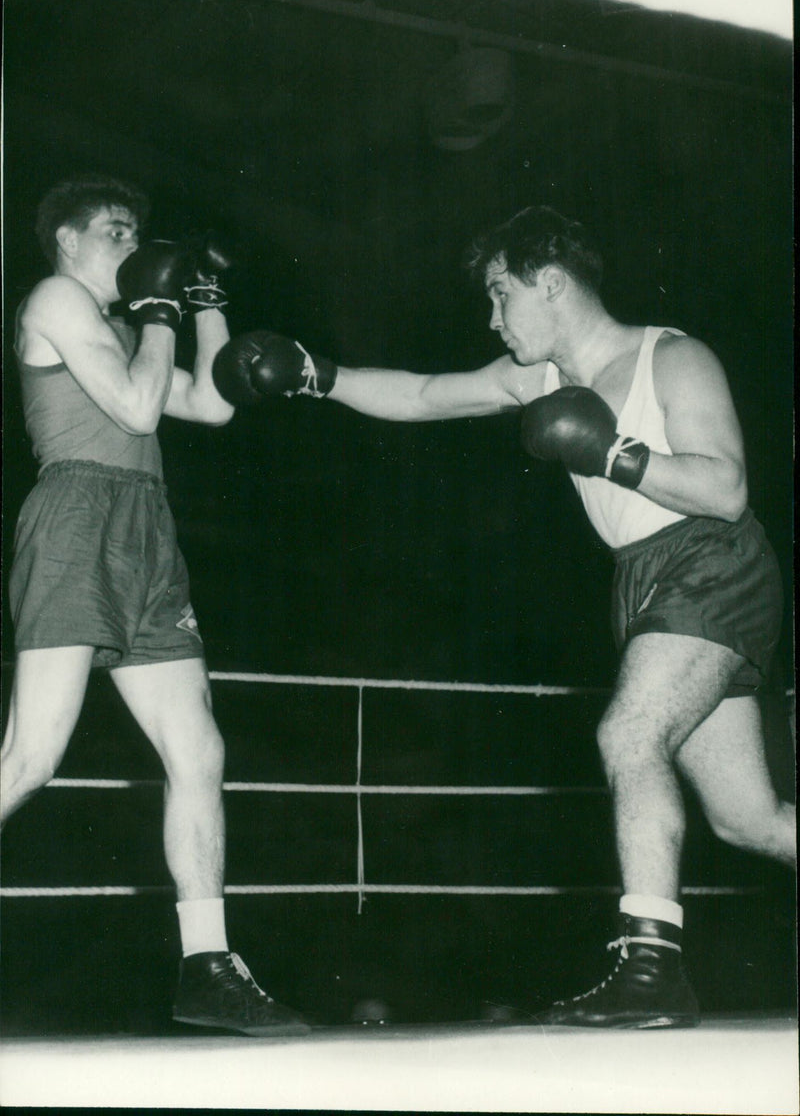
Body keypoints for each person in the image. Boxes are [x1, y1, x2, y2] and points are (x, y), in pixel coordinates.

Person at [211, 204, 796, 1028]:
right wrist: (320, 375)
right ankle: (657, 961)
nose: (491, 317)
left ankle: (652, 966)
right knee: (746, 817)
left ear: (549, 282)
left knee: (630, 735)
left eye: (499, 293)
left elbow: (727, 489)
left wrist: (614, 454)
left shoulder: (672, 355)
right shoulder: (543, 380)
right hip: (642, 579)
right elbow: (422, 395)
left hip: (711, 561)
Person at [1, 175, 310, 1037]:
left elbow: (207, 404)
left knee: (199, 749)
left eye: (137, 228)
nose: (129, 239)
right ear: (66, 241)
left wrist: (205, 299)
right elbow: (136, 402)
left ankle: (207, 964)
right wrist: (161, 310)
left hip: (145, 529)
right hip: (74, 519)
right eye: (111, 227)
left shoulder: (126, 327)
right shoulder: (57, 297)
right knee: (32, 754)